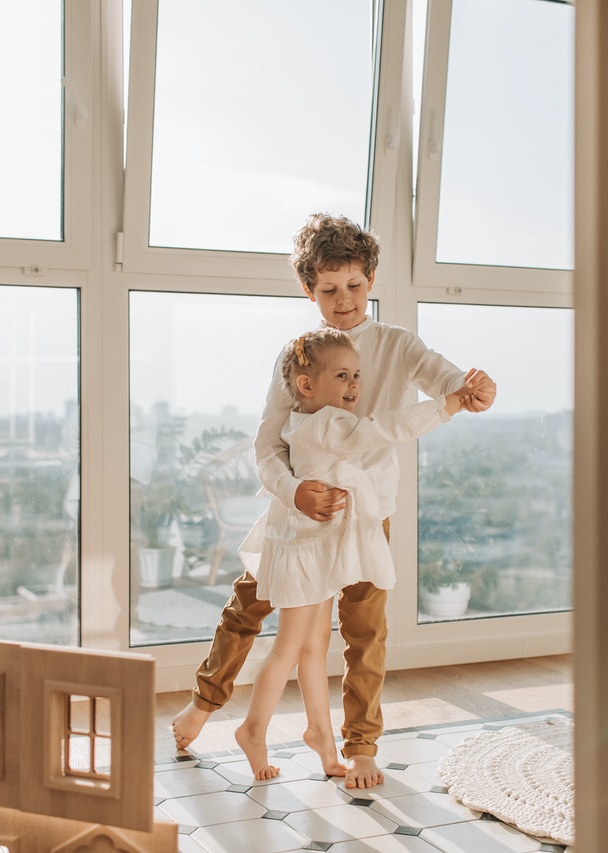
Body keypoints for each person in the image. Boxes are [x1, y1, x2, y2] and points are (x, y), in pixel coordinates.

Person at [172, 212, 496, 788]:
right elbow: (268, 443)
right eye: (328, 289)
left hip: (367, 514)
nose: (342, 299)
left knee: (364, 630)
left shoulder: (397, 345)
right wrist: (294, 490)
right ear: (309, 290)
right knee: (248, 607)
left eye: (353, 285)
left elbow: (449, 384)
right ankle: (204, 703)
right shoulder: (299, 355)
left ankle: (360, 745)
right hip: (296, 515)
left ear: (371, 279)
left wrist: (475, 390)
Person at [234, 328, 478, 780]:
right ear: (307, 385)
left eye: (357, 375)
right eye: (343, 375)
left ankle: (320, 738)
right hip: (308, 548)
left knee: (314, 647)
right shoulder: (330, 423)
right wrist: (447, 405)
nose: (354, 386)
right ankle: (252, 730)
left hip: (318, 543)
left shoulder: (305, 418)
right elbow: (386, 428)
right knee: (289, 648)